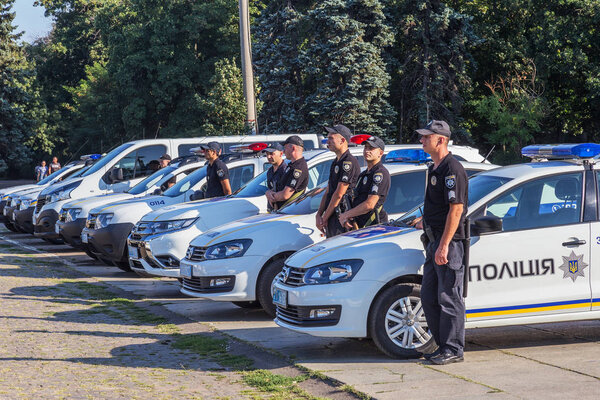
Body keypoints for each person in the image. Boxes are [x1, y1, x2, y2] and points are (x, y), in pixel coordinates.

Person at [415, 120, 468, 365]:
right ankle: (441, 345)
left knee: (449, 298)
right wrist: (423, 220)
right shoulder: (435, 168)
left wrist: (444, 245)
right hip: (433, 241)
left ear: (441, 140)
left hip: (448, 244)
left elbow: (456, 210)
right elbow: (439, 207)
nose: (422, 140)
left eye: (427, 137)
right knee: (429, 296)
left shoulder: (452, 169)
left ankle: (453, 349)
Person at [316, 124, 360, 237]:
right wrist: (319, 214)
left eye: (331, 138)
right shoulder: (336, 161)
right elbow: (328, 191)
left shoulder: (348, 162)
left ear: (342, 140)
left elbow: (339, 194)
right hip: (332, 215)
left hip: (342, 216)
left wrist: (324, 218)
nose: (327, 141)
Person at [338, 136, 390, 230]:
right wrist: (348, 218)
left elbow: (370, 204)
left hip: (373, 226)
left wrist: (346, 215)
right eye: (365, 147)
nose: (367, 151)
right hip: (360, 226)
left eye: (371, 148)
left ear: (380, 153)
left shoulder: (380, 173)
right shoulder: (363, 174)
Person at [266, 135, 308, 210]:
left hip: (290, 211)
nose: (284, 151)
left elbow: (285, 194)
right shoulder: (292, 166)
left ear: (293, 148)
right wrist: (268, 193)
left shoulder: (299, 168)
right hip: (283, 211)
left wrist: (272, 197)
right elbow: (279, 187)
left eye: (285, 148)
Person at [264, 143, 287, 211]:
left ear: (281, 153)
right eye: (267, 154)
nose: (268, 157)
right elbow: (271, 188)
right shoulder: (270, 171)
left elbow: (286, 193)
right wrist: (268, 192)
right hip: (272, 210)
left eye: (271, 154)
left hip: (283, 210)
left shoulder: (286, 170)